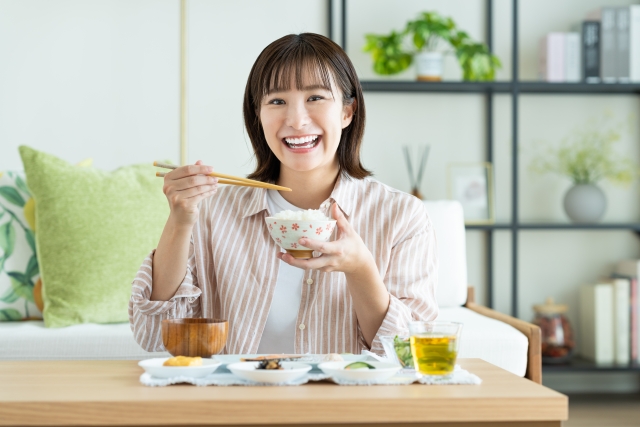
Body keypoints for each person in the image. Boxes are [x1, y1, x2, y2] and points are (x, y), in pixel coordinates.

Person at [129, 33, 437, 355]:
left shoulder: (402, 216)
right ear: (258, 115)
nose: (296, 120)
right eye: (277, 101)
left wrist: (360, 269)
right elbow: (154, 336)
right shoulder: (212, 212)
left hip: (341, 402)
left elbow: (409, 354)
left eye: (315, 97)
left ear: (347, 112)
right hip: (240, 399)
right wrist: (180, 220)